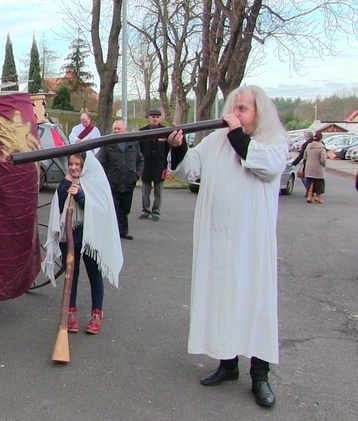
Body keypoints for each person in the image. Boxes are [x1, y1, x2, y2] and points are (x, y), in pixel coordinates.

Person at [167, 85, 289, 408]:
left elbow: (266, 165)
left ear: (257, 113)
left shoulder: (272, 142)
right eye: (233, 108)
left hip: (252, 243)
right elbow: (188, 168)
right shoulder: (216, 140)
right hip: (220, 239)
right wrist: (178, 147)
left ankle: (260, 375)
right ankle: (228, 364)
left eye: (243, 109)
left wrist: (237, 136)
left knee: (256, 301)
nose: (235, 114)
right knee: (223, 297)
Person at [42, 153, 123, 335]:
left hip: (89, 240)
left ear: (85, 165)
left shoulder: (95, 182)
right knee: (72, 276)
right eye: (71, 164)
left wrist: (80, 195)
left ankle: (96, 314)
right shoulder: (65, 182)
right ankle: (70, 313)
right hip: (68, 237)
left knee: (95, 275)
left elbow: (100, 210)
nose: (73, 167)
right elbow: (58, 207)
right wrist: (65, 185)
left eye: (78, 164)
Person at [96, 120, 144, 240]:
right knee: (113, 209)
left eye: (119, 129)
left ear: (125, 130)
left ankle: (124, 231)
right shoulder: (107, 144)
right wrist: (105, 178)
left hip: (128, 182)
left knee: (125, 208)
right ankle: (113, 233)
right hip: (113, 183)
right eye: (115, 129)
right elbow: (101, 163)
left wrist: (136, 175)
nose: (116, 131)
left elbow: (140, 161)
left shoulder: (133, 143)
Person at [138, 109, 171, 221]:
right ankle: (145, 210)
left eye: (157, 117)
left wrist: (167, 165)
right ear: (149, 118)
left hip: (160, 164)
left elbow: (168, 149)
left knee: (159, 191)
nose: (155, 119)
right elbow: (139, 149)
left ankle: (156, 211)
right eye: (153, 117)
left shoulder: (165, 131)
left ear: (160, 118)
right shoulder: (142, 131)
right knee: (145, 190)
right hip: (146, 164)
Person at [304, 131, 327, 203]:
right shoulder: (321, 147)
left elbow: (305, 156)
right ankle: (318, 197)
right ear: (321, 139)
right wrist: (324, 164)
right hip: (318, 167)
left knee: (310, 181)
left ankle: (309, 196)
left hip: (309, 166)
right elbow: (323, 159)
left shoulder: (308, 146)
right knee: (319, 182)